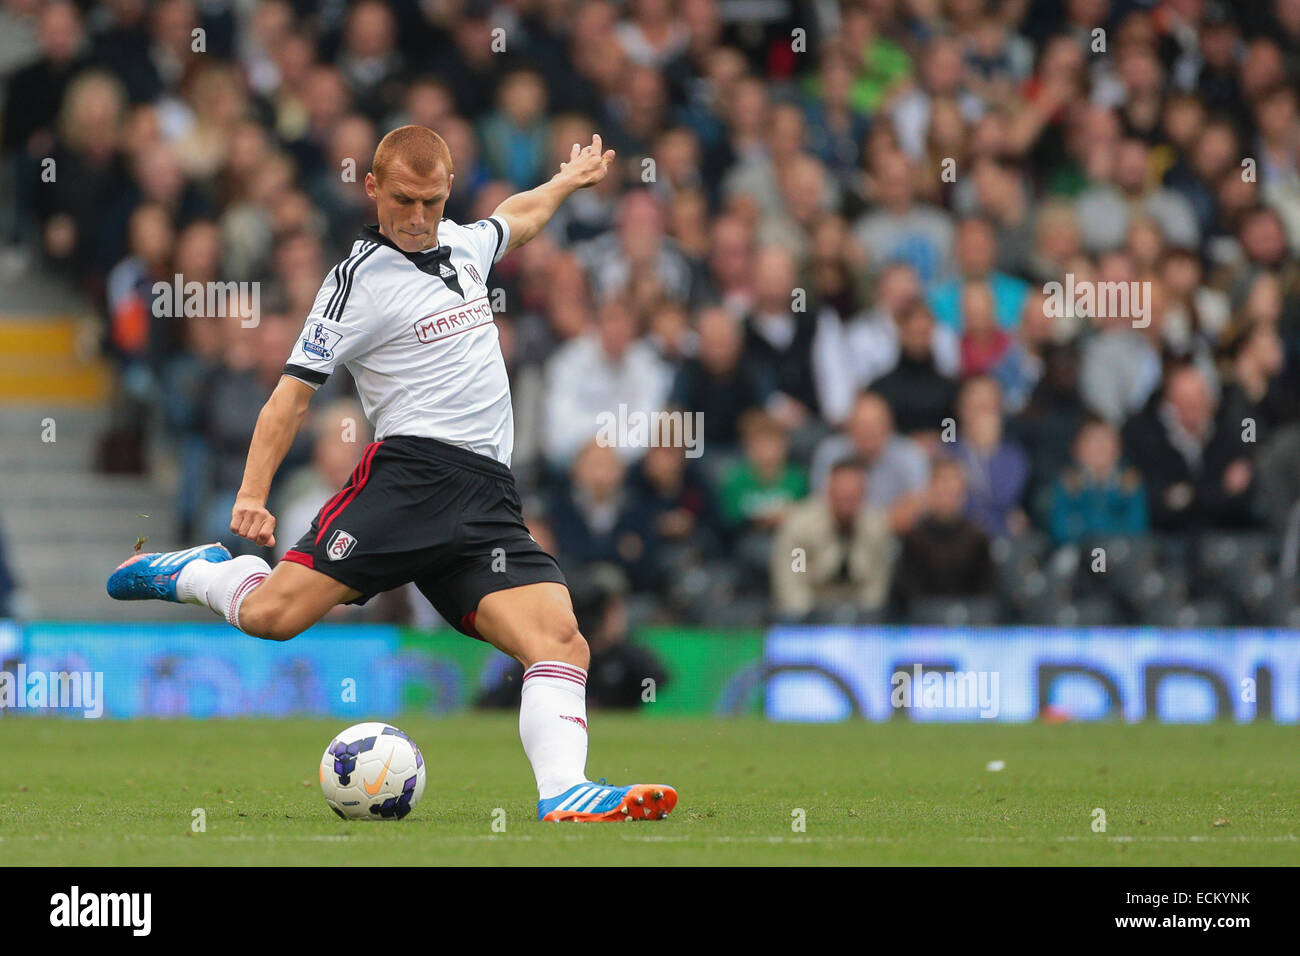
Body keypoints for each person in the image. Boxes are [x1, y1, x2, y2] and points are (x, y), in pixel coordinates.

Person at [108, 125, 677, 823]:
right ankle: (200, 572)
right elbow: (290, 397)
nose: (416, 218)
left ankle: (564, 790)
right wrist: (252, 494)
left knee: (560, 637)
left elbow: (516, 220)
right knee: (271, 615)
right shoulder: (354, 283)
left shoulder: (465, 245)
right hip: (410, 480)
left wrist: (565, 181)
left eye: (432, 202)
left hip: (488, 499)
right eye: (403, 200)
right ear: (373, 188)